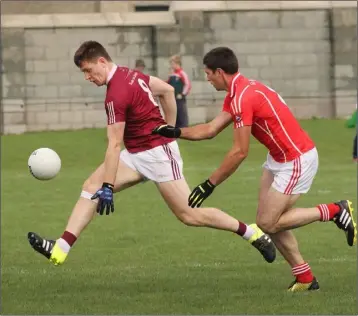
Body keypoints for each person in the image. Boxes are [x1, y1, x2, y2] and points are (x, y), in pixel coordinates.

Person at [27, 41, 276, 267]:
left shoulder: (116, 94)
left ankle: (251, 232)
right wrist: (169, 128)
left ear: (102, 61)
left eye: (89, 70)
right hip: (136, 153)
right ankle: (60, 248)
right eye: (84, 73)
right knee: (90, 186)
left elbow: (114, 144)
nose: (88, 77)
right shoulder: (130, 74)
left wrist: (110, 183)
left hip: (157, 155)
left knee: (189, 214)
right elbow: (166, 90)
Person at [152, 46, 357, 292]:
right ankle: (305, 278)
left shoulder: (242, 97)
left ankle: (335, 210)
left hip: (296, 159)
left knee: (267, 223)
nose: (206, 79)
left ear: (220, 72)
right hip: (278, 159)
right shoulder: (239, 90)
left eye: (208, 74)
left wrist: (210, 183)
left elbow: (240, 151)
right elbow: (210, 129)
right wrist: (175, 132)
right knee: (271, 221)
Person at [167, 55, 191, 128]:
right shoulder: (172, 74)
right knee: (175, 115)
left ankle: (184, 129)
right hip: (172, 98)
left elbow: (187, 84)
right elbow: (168, 83)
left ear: (177, 64)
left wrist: (182, 94)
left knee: (182, 114)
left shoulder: (182, 73)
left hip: (179, 98)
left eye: (172, 64)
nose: (171, 65)